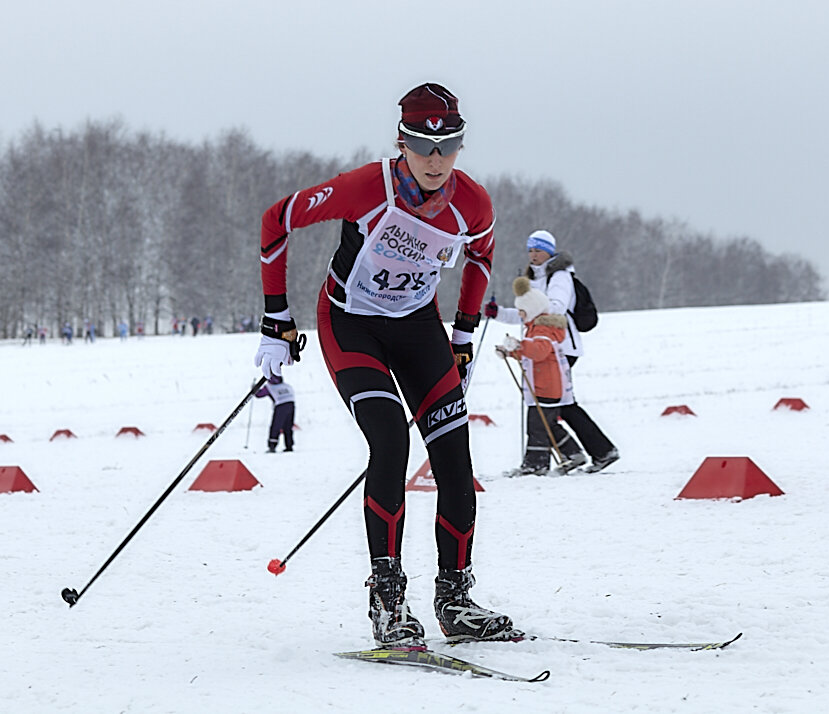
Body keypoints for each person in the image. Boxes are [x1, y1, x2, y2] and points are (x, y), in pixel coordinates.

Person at [252, 82, 518, 648]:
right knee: (391, 441)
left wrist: (465, 334)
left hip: (419, 329)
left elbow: (482, 257)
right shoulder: (364, 188)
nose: (437, 160)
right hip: (352, 326)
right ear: (402, 142)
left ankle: (455, 599)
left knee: (453, 455)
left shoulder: (473, 201)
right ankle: (388, 601)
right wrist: (277, 319)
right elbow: (276, 221)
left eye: (450, 147)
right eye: (424, 146)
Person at [486, 230, 619, 473]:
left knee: (550, 406)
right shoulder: (533, 276)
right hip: (542, 343)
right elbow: (527, 314)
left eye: (538, 250)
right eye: (530, 250)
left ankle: (549, 459)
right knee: (557, 406)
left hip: (560, 346)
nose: (533, 255)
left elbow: (551, 309)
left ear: (549, 251)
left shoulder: (559, 276)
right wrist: (499, 314)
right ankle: (594, 452)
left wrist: (529, 302)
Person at [496, 277, 587, 476]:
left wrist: (519, 345)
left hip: (546, 385)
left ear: (532, 310)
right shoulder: (535, 327)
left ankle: (536, 464)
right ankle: (574, 454)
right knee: (548, 425)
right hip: (544, 384)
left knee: (537, 426)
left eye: (522, 311)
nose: (519, 314)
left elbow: (539, 351)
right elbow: (532, 354)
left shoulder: (543, 329)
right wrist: (510, 352)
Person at [255, 374, 296, 452]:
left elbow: (258, 394)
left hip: (280, 406)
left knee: (276, 426)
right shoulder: (287, 386)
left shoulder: (269, 387)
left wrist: (254, 388)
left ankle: (272, 446)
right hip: (291, 405)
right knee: (288, 426)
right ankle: (289, 446)